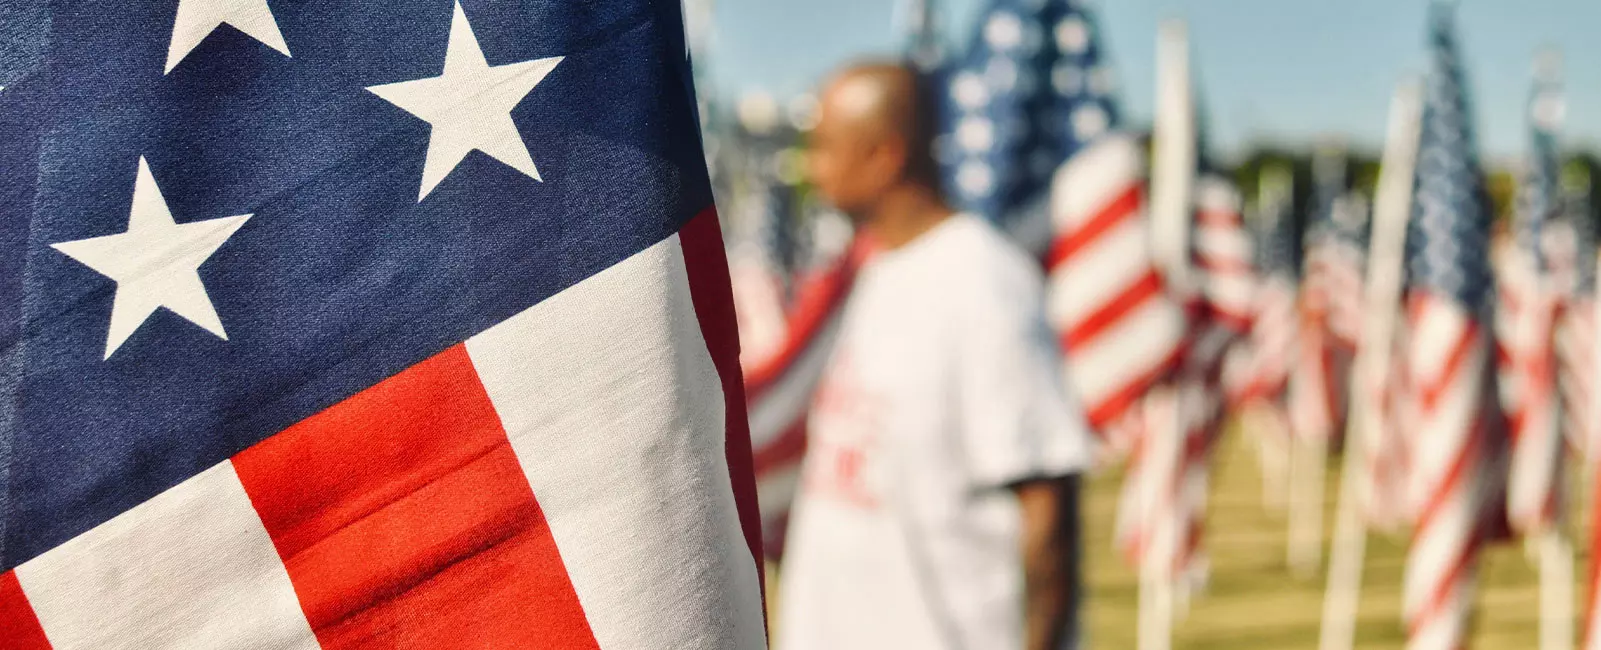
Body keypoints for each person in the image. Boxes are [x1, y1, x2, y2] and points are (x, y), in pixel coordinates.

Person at [774, 61, 1091, 650]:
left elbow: (1047, 504)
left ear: (883, 155)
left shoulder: (982, 280)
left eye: (824, 146)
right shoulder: (872, 270)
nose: (810, 166)